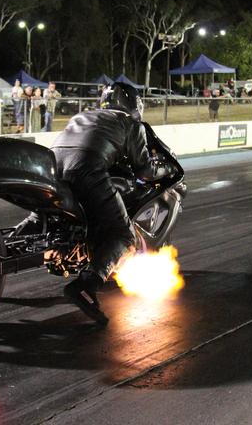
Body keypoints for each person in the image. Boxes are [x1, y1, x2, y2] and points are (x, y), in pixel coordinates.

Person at [51, 82, 170, 324]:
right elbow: (145, 170)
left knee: (43, 218)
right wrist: (163, 167)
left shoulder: (83, 115)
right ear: (134, 104)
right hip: (87, 170)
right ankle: (87, 283)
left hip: (52, 168)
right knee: (124, 235)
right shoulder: (130, 123)